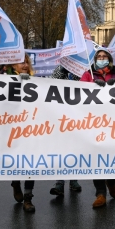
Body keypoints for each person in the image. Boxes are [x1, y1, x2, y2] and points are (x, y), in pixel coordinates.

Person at [81, 49, 115, 208]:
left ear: (109, 59)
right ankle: (100, 194)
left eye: (104, 57)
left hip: (114, 122)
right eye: (98, 57)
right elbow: (79, 92)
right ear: (94, 60)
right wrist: (93, 85)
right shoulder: (88, 74)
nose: (101, 59)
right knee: (97, 158)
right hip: (94, 122)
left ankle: (111, 181)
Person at [7, 54, 37, 212]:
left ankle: (28, 197)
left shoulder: (37, 81)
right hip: (12, 127)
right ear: (13, 66)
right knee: (16, 161)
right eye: (21, 62)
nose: (25, 65)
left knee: (30, 163)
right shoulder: (4, 81)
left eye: (27, 62)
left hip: (31, 128)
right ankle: (15, 182)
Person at [49, 64, 82, 197]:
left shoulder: (80, 70)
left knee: (74, 149)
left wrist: (74, 73)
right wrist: (62, 70)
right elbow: (51, 83)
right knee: (61, 150)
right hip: (60, 116)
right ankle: (59, 182)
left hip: (77, 116)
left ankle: (73, 179)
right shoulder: (59, 69)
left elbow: (85, 85)